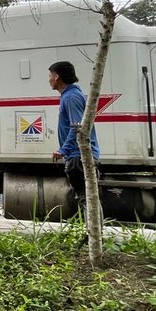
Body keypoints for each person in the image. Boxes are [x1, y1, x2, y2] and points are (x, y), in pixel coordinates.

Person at [48, 60, 101, 222]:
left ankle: (92, 235)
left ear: (57, 77)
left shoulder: (71, 97)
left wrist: (63, 150)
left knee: (87, 198)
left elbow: (77, 128)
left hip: (78, 156)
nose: (49, 79)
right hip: (77, 155)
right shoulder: (70, 95)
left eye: (50, 76)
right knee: (86, 197)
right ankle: (91, 235)